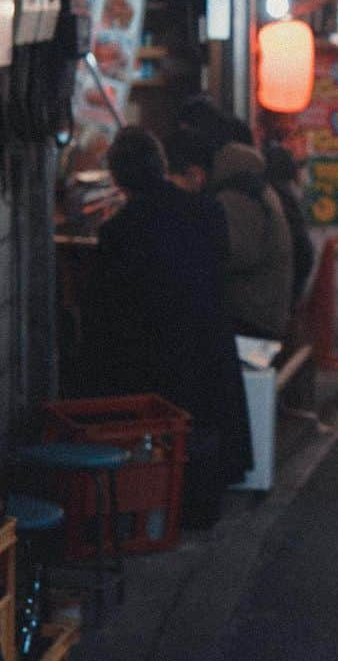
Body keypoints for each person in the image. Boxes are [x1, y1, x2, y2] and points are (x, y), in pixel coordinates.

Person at [83, 127, 252, 527]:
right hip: (206, 337)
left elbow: (107, 305)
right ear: (161, 166)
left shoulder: (117, 231)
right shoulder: (206, 210)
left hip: (149, 349)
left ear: (119, 179)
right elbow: (221, 262)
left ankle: (152, 505)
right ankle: (201, 506)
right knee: (204, 424)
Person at [209, 134, 294, 340]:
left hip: (250, 314)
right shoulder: (262, 191)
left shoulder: (238, 197)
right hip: (266, 308)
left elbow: (237, 253)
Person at [263, 141, 315, 307]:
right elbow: (302, 250)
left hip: (279, 290)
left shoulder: (273, 195)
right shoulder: (284, 196)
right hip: (284, 289)